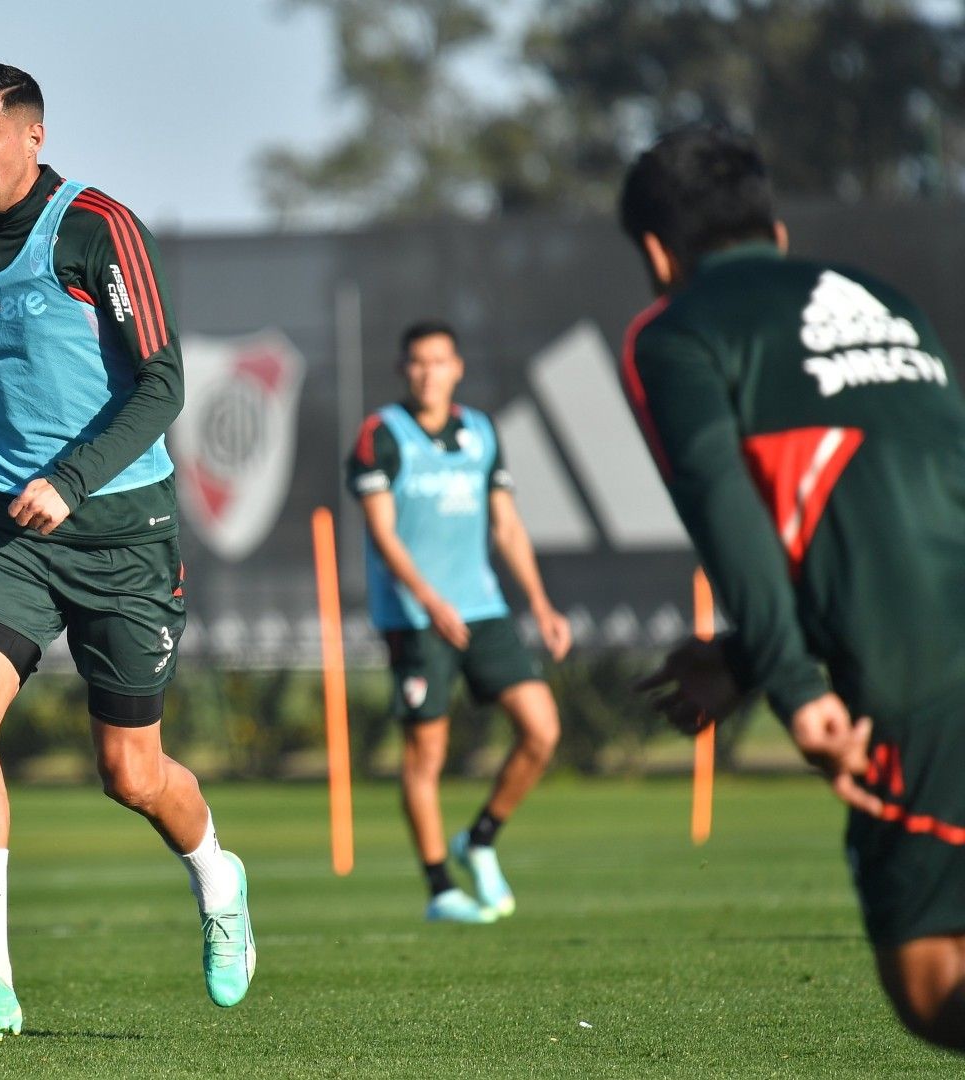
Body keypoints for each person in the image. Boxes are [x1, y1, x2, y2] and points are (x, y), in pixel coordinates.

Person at [0, 62, 253, 1037]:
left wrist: (70, 481)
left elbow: (162, 382)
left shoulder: (95, 226)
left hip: (122, 533)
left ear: (33, 134)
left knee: (131, 774)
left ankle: (217, 875)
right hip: (7, 526)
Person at [622, 126, 965, 1051]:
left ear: (658, 253)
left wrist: (796, 687)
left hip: (918, 677)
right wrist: (747, 662)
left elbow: (731, 519)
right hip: (928, 631)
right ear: (774, 229)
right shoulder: (882, 299)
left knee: (936, 986)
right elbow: (895, 506)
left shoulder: (675, 332)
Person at [345, 322, 572, 924]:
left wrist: (542, 604)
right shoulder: (380, 436)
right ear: (403, 369)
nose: (428, 372)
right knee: (427, 752)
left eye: (439, 361)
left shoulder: (481, 432)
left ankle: (481, 838)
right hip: (415, 617)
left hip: (481, 605)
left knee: (542, 729)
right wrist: (429, 599)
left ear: (457, 368)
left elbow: (507, 526)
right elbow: (383, 533)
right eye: (417, 362)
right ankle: (441, 888)